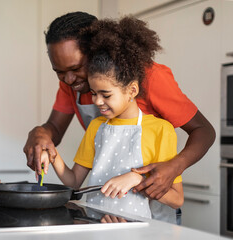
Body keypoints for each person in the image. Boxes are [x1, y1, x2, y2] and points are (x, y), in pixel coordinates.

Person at [23, 11, 215, 201]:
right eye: (59, 72)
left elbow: (203, 130)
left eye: (76, 68)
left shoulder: (148, 77)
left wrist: (176, 165)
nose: (69, 79)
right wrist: (40, 133)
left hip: (152, 200)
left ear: (98, 52)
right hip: (109, 207)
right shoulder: (72, 84)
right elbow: (55, 129)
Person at [40, 17, 184, 222]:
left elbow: (177, 200)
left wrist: (137, 180)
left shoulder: (161, 130)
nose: (97, 102)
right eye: (94, 93)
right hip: (99, 225)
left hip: (145, 231)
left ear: (132, 90)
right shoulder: (97, 127)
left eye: (106, 95)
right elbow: (73, 182)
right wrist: (52, 154)